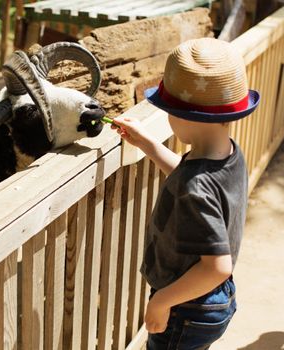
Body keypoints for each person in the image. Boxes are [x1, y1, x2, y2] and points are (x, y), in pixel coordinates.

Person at [112, 37, 260, 350]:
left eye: (168, 110)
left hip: (186, 307)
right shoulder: (228, 154)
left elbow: (217, 266)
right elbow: (189, 178)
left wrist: (162, 302)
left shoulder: (195, 185)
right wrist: (150, 145)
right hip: (213, 299)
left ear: (186, 117)